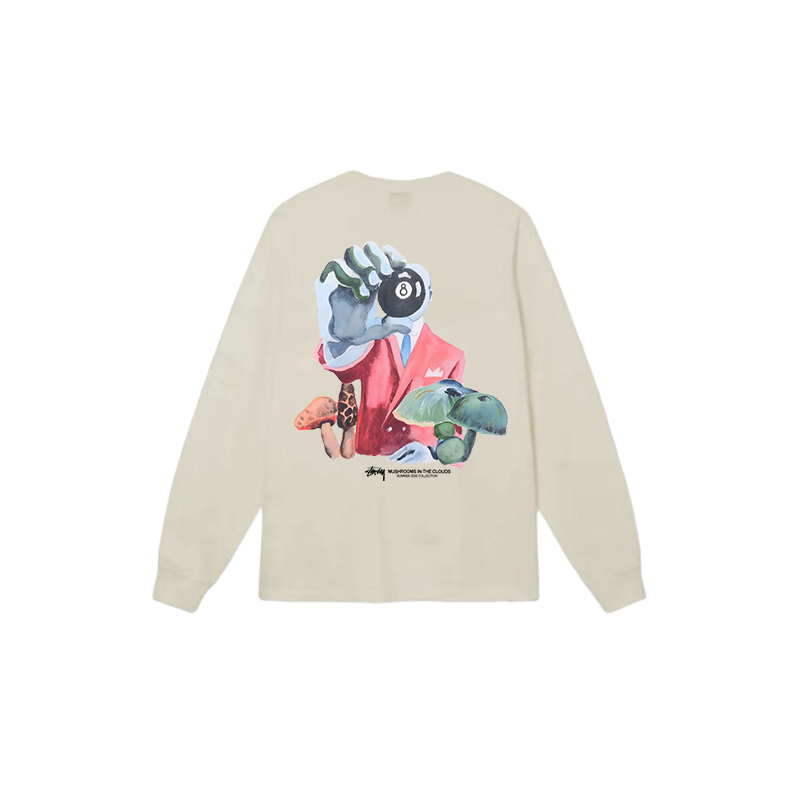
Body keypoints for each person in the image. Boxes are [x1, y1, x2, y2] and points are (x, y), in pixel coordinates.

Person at [314, 243, 465, 462]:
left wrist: (431, 454)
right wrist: (341, 338)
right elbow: (342, 370)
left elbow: (457, 427)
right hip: (368, 463)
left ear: (429, 295)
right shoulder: (371, 338)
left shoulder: (451, 356)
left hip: (420, 470)